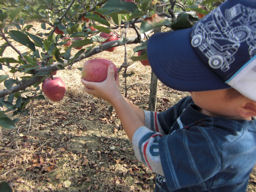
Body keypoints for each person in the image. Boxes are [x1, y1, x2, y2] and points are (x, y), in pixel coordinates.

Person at [81, 0, 256, 191]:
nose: (189, 78)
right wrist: (117, 95)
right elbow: (154, 123)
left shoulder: (225, 143)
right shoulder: (198, 105)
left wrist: (115, 99)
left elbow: (152, 153)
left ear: (249, 106)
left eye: (200, 79)